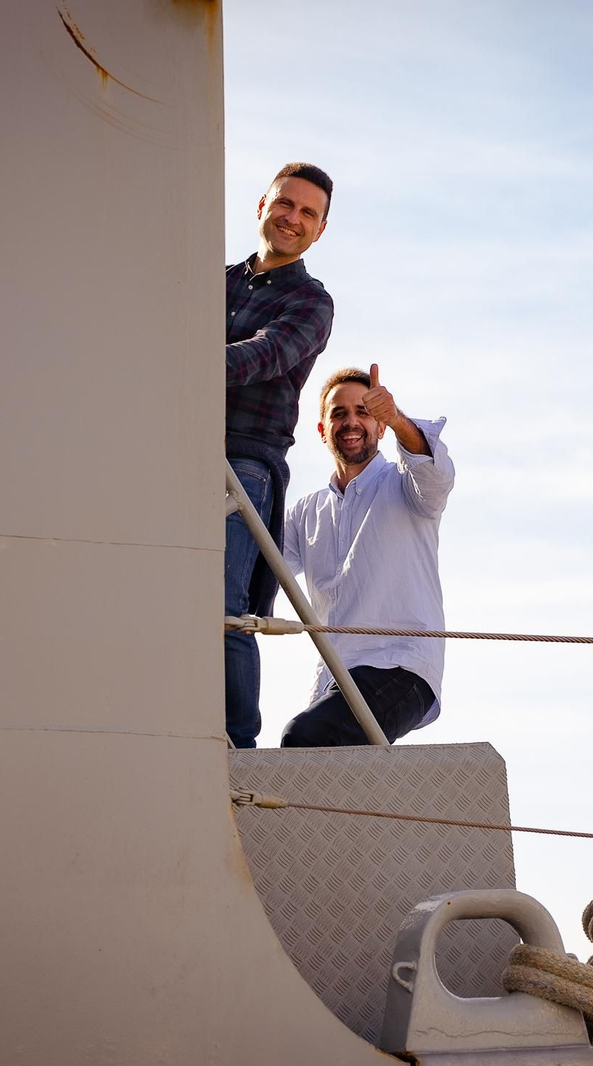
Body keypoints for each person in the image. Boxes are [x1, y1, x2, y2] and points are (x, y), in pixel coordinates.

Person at [280, 365, 454, 746]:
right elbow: (262, 564)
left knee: (304, 738)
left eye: (364, 412)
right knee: (298, 755)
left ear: (380, 427)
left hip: (401, 665)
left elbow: (435, 473)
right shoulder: (304, 513)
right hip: (333, 682)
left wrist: (397, 417)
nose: (351, 422)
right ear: (323, 431)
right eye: (338, 414)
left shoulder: (407, 486)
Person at [224, 162, 335, 748]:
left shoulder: (312, 302)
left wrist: (180, 362)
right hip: (165, 451)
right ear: (261, 206)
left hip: (243, 462)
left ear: (319, 230)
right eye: (284, 204)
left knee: (224, 611)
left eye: (307, 213)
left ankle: (237, 746)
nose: (292, 218)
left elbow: (267, 355)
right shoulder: (207, 282)